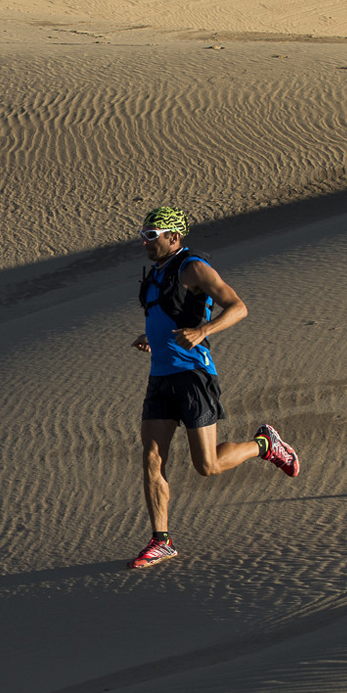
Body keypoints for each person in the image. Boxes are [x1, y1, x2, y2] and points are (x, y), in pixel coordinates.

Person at [128, 207, 299, 569]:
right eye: (143, 234)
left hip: (193, 377)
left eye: (151, 234)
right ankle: (161, 540)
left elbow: (238, 307)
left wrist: (204, 331)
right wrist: (153, 339)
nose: (144, 241)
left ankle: (265, 444)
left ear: (174, 236)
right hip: (160, 377)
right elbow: (169, 316)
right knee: (152, 456)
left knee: (207, 466)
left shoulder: (194, 267)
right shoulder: (156, 273)